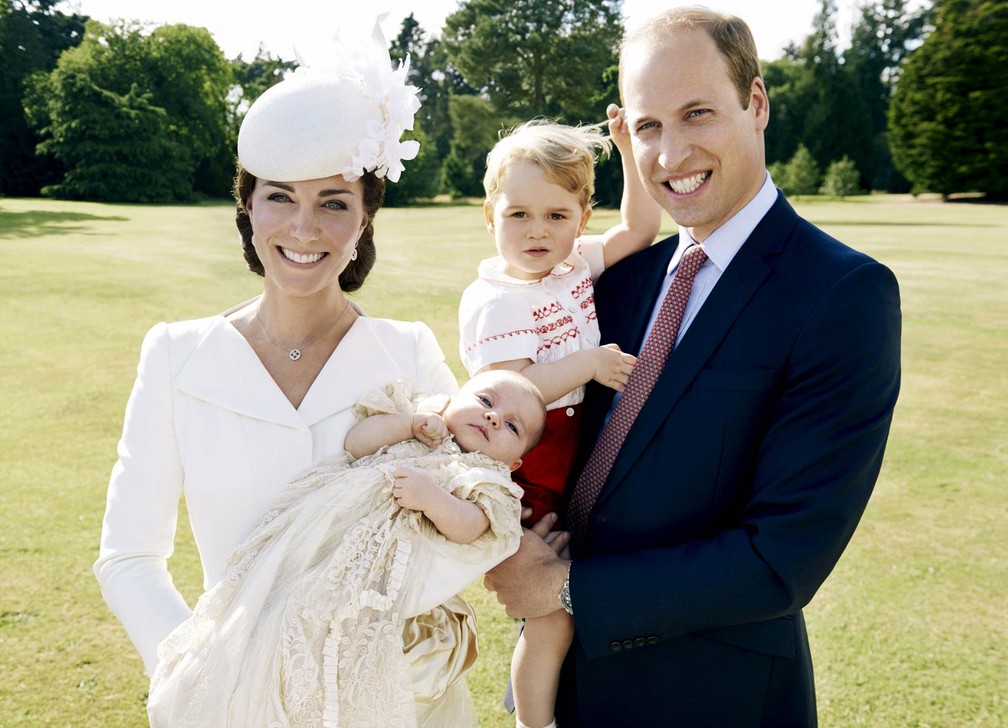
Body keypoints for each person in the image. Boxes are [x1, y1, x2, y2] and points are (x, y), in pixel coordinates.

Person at [483, 7, 902, 726]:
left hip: (711, 696)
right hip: (566, 689)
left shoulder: (842, 294)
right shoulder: (615, 281)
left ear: (757, 103)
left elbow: (780, 558)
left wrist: (562, 589)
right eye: (648, 126)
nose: (671, 154)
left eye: (697, 114)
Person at [94, 23, 481, 724]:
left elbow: (468, 519)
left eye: (333, 202)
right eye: (280, 197)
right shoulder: (177, 356)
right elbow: (127, 555)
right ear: (247, 205)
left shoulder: (411, 353)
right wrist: (199, 673)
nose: (304, 229)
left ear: (365, 219)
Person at [147, 370, 547, 726]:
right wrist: (408, 424)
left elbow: (473, 526)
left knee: (341, 633)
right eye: (485, 401)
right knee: (279, 602)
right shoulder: (423, 417)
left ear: (514, 464)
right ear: (454, 398)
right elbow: (357, 443)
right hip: (323, 531)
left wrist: (434, 500)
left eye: (512, 426)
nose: (494, 417)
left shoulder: (487, 478)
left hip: (375, 568)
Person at [458, 117, 662, 728]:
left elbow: (643, 227)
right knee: (550, 611)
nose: (538, 231)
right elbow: (510, 399)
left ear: (580, 218)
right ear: (490, 217)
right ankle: (534, 722)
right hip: (525, 468)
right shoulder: (496, 299)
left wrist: (628, 149)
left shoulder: (575, 264)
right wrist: (590, 363)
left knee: (579, 598)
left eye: (557, 215)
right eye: (518, 214)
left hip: (572, 453)